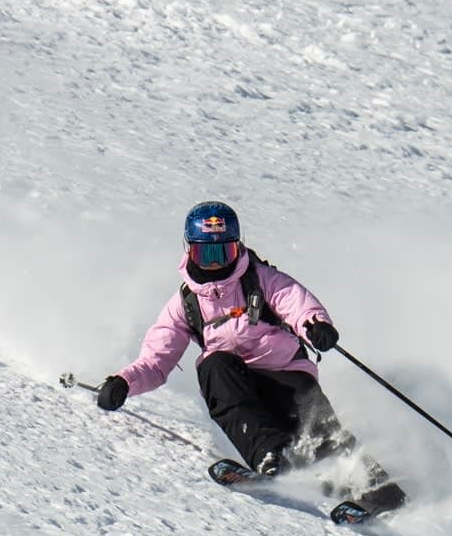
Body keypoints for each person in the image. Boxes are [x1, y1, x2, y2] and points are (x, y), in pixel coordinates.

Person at [95, 201, 406, 519]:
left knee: (318, 430)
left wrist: (316, 326)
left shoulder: (261, 279)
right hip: (236, 386)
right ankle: (270, 456)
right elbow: (155, 360)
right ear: (190, 251)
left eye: (224, 253)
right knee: (212, 364)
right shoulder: (185, 303)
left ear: (238, 246)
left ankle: (380, 491)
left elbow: (295, 302)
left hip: (285, 374)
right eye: (207, 255)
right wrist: (123, 383)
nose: (216, 264)